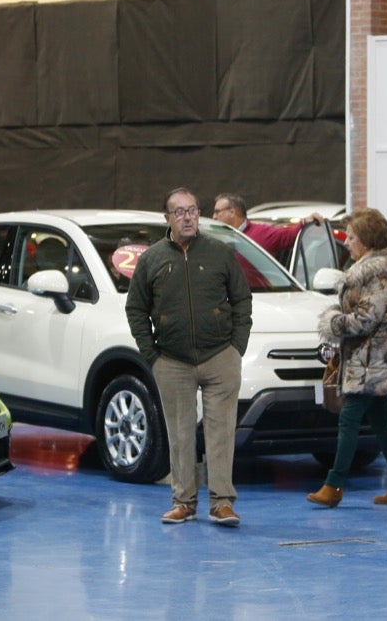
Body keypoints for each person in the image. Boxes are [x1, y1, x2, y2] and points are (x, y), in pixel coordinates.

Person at [125, 187, 253, 527]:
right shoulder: (152, 259)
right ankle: (183, 501)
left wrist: (236, 346)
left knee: (221, 431)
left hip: (220, 357)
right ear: (167, 218)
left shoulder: (219, 252)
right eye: (179, 212)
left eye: (193, 211)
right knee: (180, 433)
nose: (187, 217)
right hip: (172, 361)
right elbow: (136, 309)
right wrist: (152, 355)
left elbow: (242, 300)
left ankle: (222, 502)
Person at [307, 207, 387, 508]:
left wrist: (332, 321)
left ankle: (334, 485)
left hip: (373, 362)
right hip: (367, 360)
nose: (347, 242)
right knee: (380, 423)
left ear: (366, 241)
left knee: (349, 418)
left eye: (352, 237)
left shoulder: (378, 273)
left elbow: (367, 318)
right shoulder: (371, 271)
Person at [212, 193, 323, 259]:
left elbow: (288, 235)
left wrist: (305, 223)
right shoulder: (214, 238)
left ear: (232, 212)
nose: (214, 217)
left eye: (217, 212)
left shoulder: (263, 234)